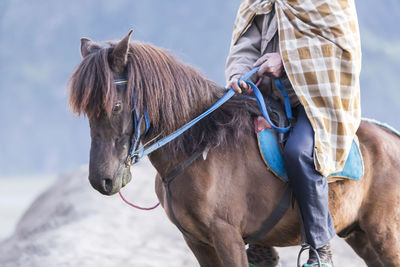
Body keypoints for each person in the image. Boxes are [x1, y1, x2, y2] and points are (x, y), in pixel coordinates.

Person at [225, 0, 362, 266]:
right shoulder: (260, 2)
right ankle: (259, 244)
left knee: (299, 152)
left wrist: (285, 62)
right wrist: (240, 74)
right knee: (236, 143)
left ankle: (321, 249)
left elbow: (339, 50)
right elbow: (246, 41)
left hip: (316, 101)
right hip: (267, 95)